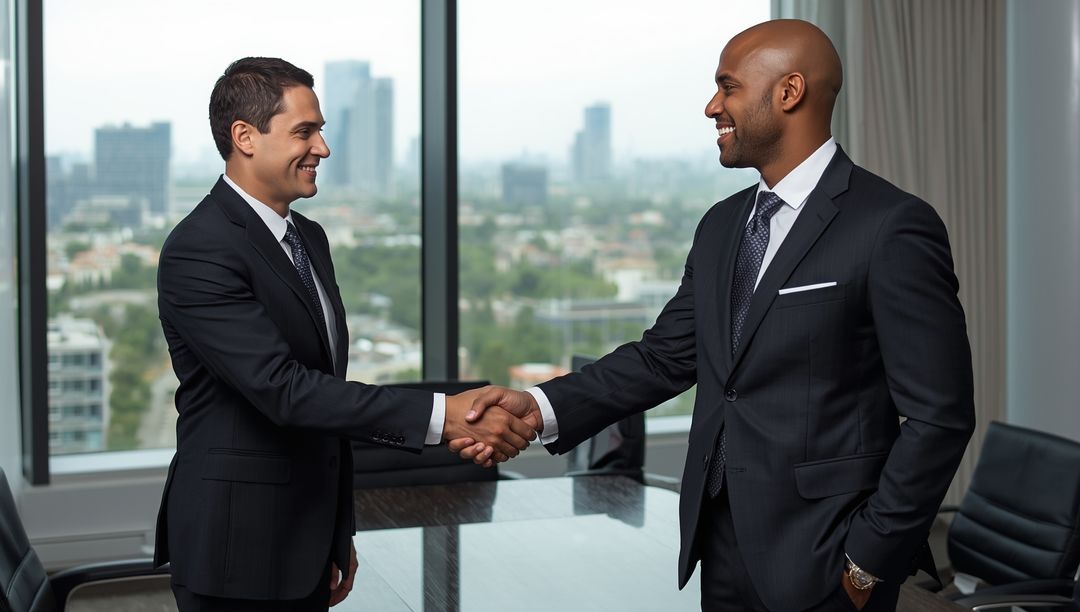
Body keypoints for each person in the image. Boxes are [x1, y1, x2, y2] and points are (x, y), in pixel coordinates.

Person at [452, 19, 975, 612]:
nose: (711, 106)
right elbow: (664, 357)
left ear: (789, 92)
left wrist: (867, 562)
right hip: (720, 548)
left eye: (727, 88)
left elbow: (941, 417)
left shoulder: (891, 225)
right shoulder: (723, 225)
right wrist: (540, 406)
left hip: (829, 560)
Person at [153, 57, 535, 612]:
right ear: (245, 138)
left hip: (306, 537)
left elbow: (327, 398)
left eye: (322, 130)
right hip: (236, 549)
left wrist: (337, 531)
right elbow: (285, 390)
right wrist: (443, 414)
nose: (323, 149)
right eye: (304, 132)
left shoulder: (308, 237)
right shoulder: (200, 248)